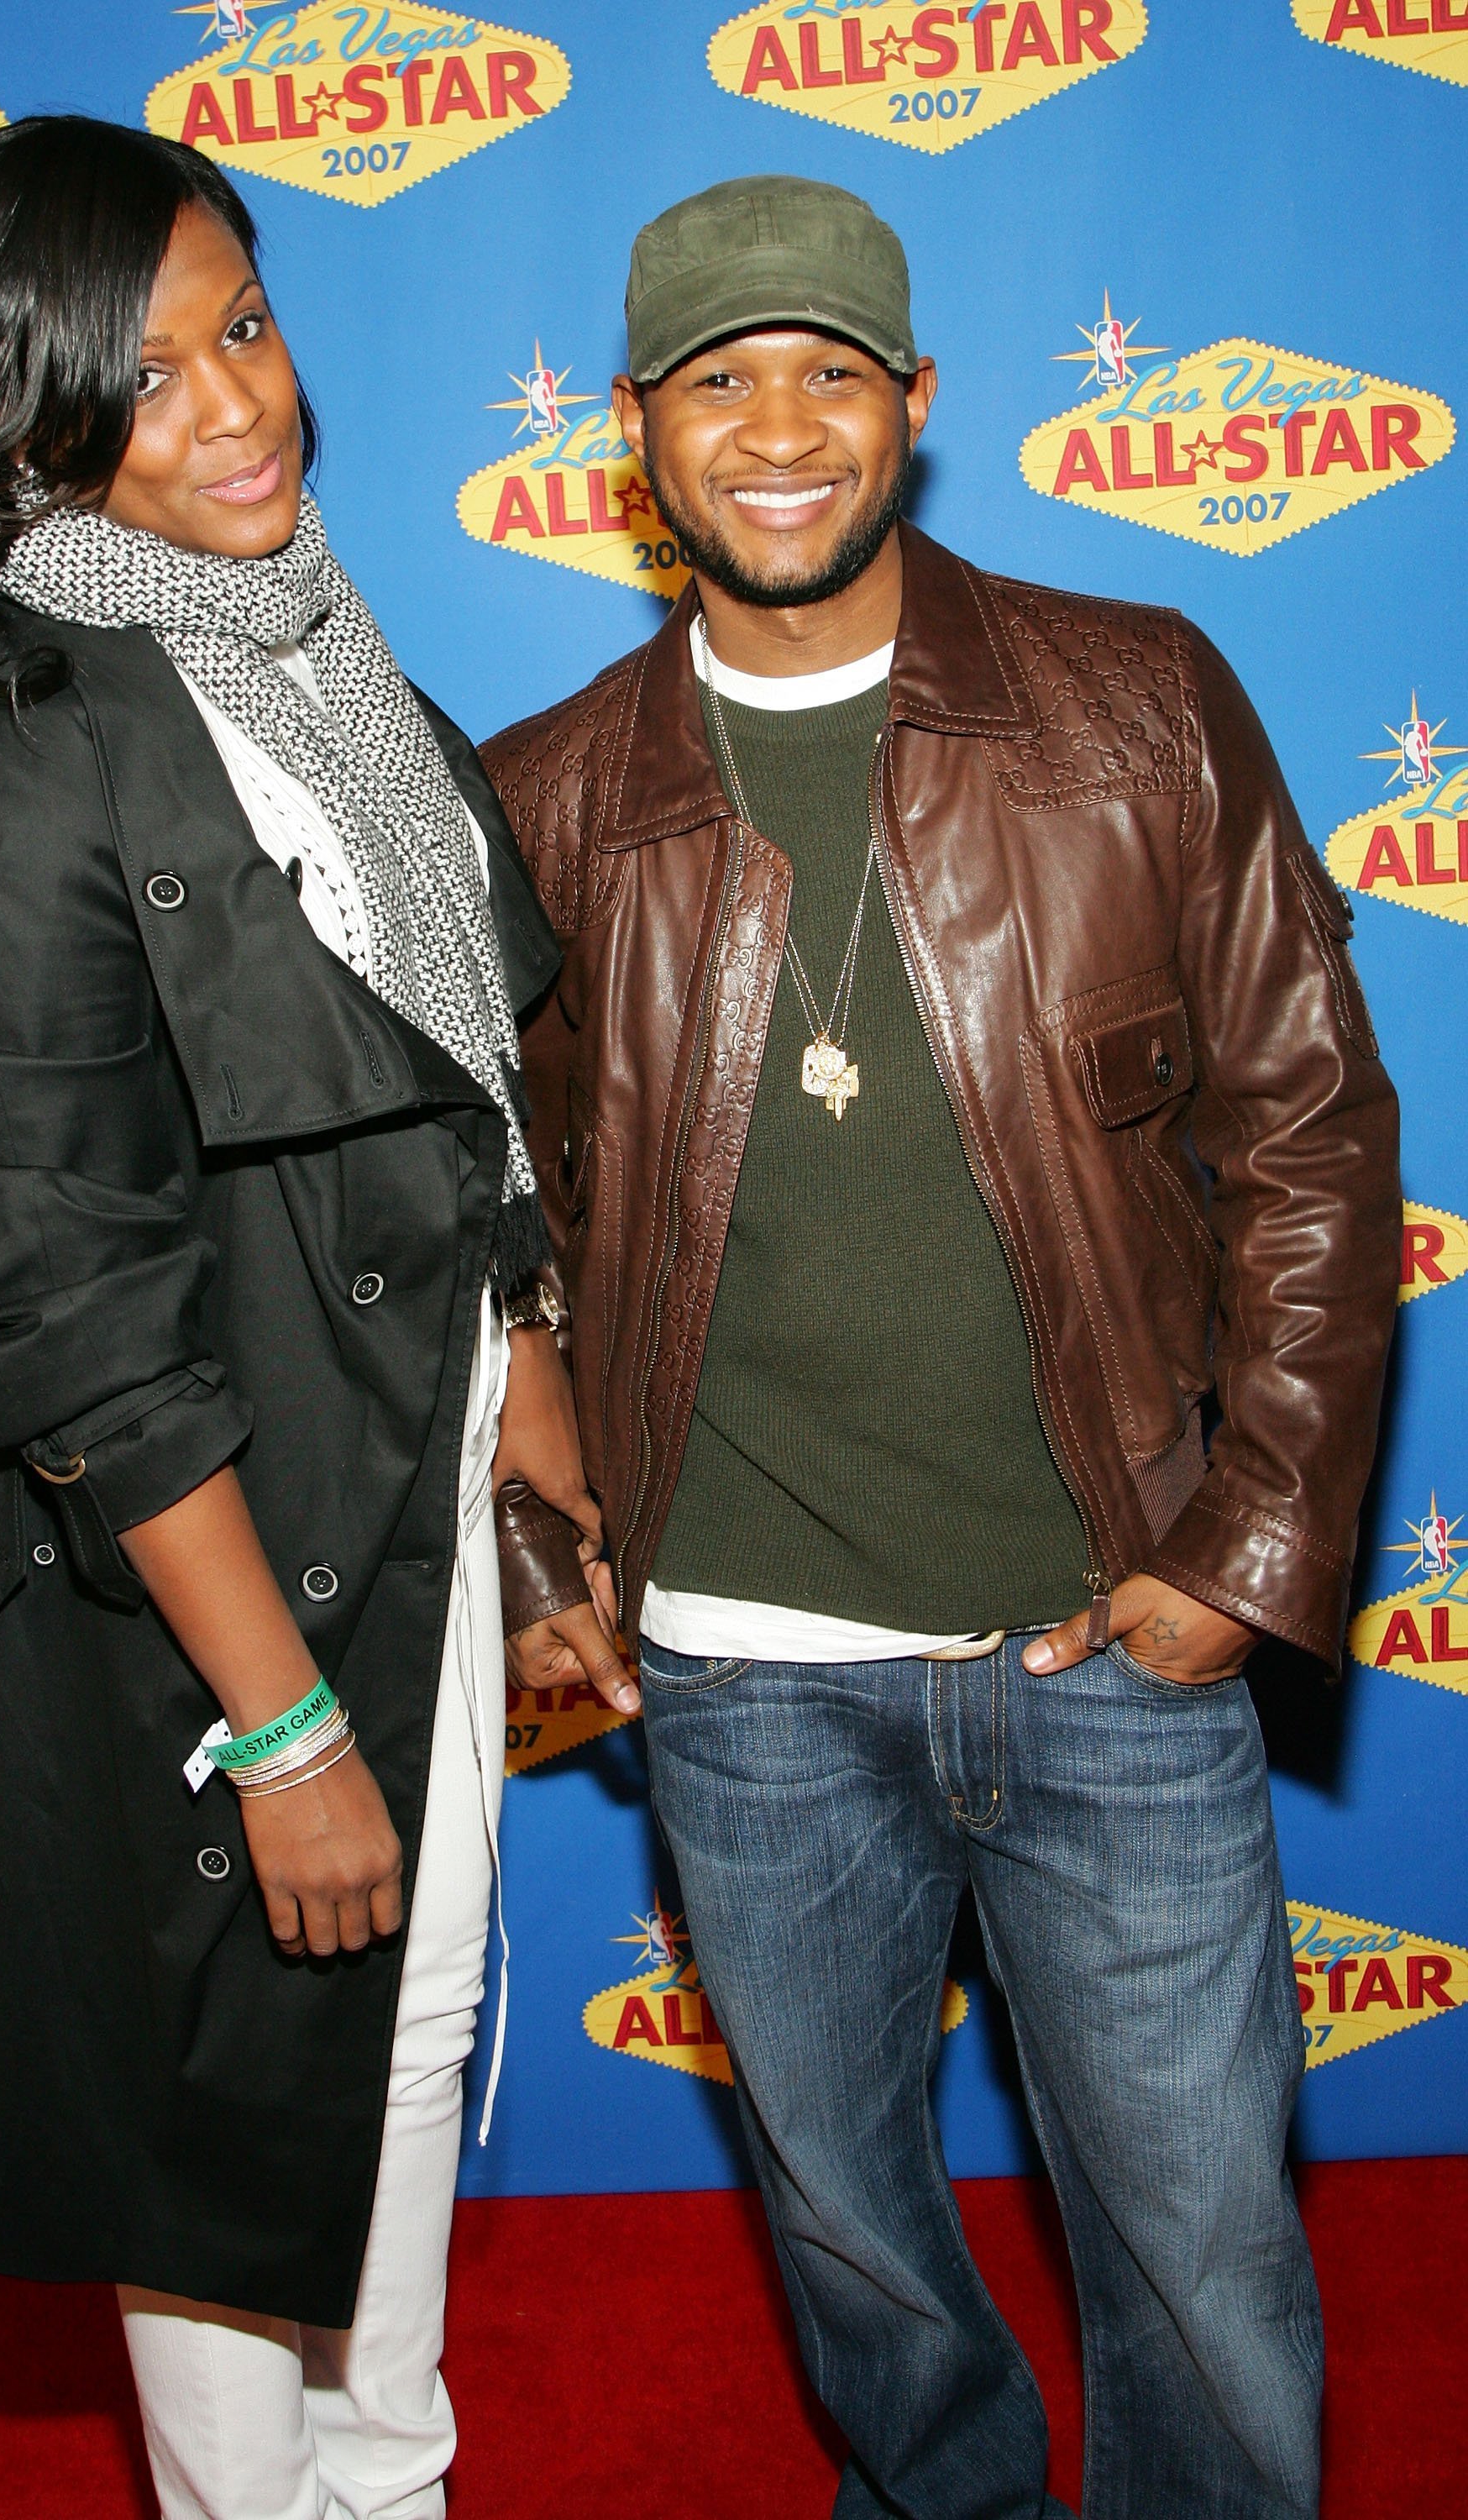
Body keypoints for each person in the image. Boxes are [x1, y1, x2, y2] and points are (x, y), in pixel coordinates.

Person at [490, 176, 1401, 2519]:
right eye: (718, 381)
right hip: (745, 1675)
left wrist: (1250, 1543)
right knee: (859, 2246)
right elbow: (507, 1237)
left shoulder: (1134, 705)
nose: (776, 428)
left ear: (917, 404)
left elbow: (1308, 1136)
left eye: (826, 372)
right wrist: (540, 1547)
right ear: (638, 436)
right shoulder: (556, 798)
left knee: (1207, 2256)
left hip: (1111, 1641)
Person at [0, 115, 601, 2520]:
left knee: (401, 2045)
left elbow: (461, 1089)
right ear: (35, 417)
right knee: (228, 2108)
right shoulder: (4, 764)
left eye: (249, 327)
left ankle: (386, 2477)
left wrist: (542, 1395)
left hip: (414, 1470)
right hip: (205, 1572)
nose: (239, 409)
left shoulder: (325, 644)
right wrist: (277, 1728)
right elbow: (63, 1300)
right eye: (152, 376)